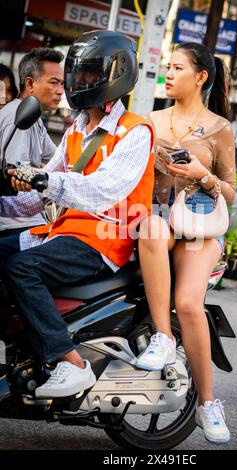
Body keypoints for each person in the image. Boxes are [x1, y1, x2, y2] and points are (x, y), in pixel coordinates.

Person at [0, 30, 154, 398]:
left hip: (104, 240)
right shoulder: (77, 129)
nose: (77, 82)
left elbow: (103, 190)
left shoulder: (135, 132)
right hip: (62, 231)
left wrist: (42, 181)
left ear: (114, 77)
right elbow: (36, 198)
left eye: (88, 74)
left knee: (21, 268)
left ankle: (69, 361)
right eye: (77, 73)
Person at [136, 42, 236, 444]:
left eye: (177, 67)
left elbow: (229, 192)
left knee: (190, 303)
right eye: (167, 67)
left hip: (200, 227)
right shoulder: (152, 120)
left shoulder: (219, 127)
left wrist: (201, 174)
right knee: (150, 228)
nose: (169, 73)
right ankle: (163, 337)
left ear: (201, 77)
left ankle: (207, 403)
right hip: (160, 219)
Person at [0, 48, 64, 238]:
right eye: (53, 83)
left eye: (61, 83)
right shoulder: (17, 117)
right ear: (30, 83)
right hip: (14, 223)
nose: (60, 91)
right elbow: (19, 181)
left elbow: (60, 158)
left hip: (30, 219)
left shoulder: (33, 118)